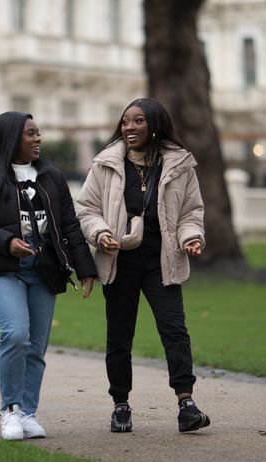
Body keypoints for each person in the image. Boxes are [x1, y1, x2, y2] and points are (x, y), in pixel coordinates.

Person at [0, 111, 97, 440]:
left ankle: (28, 412)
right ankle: (9, 411)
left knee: (36, 346)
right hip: (5, 267)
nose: (38, 139)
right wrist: (7, 242)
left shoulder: (51, 176)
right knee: (15, 334)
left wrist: (86, 268)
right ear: (10, 138)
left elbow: (69, 226)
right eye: (30, 134)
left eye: (39, 133)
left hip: (44, 268)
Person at [76, 97, 210, 433]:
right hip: (119, 261)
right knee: (119, 337)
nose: (129, 128)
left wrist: (190, 237)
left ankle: (186, 403)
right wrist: (101, 232)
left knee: (174, 330)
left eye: (137, 121)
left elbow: (190, 212)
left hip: (161, 262)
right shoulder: (105, 163)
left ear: (154, 125)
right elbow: (86, 210)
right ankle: (120, 405)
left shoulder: (179, 165)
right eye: (125, 122)